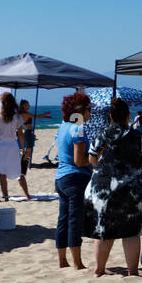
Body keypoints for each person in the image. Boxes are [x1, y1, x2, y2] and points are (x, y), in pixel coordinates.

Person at [84, 98, 142, 276]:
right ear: (128, 116)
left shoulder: (102, 134)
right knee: (131, 231)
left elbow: (92, 159)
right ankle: (132, 271)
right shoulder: (138, 136)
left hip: (103, 188)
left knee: (104, 230)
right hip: (130, 189)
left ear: (110, 116)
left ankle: (99, 269)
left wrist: (105, 165)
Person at [54, 92, 92, 270]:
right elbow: (79, 160)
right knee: (75, 220)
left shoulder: (63, 126)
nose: (90, 112)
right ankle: (77, 263)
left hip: (61, 177)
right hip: (75, 177)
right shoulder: (78, 128)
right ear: (80, 110)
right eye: (89, 109)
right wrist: (96, 158)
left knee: (63, 218)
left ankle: (62, 260)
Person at [0, 93, 30, 201]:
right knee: (18, 170)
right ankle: (27, 194)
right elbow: (20, 134)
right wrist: (23, 148)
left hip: (0, 145)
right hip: (12, 144)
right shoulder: (17, 116)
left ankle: (6, 195)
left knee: (2, 172)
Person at [19, 99, 49, 172]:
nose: (28, 106)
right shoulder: (25, 114)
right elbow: (36, 116)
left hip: (29, 132)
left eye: (28, 104)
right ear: (23, 106)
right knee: (28, 151)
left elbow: (36, 116)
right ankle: (23, 165)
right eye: (27, 104)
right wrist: (45, 115)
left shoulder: (25, 113)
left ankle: (26, 164)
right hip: (28, 133)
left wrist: (44, 116)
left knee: (29, 150)